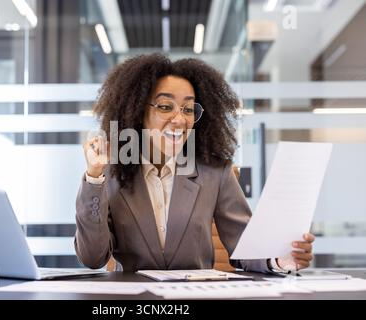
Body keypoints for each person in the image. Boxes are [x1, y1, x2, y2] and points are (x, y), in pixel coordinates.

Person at [75, 53, 314, 273]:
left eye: (188, 109)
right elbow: (93, 258)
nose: (180, 119)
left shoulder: (214, 172)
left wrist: (280, 260)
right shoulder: (111, 172)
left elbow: (246, 248)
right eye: (165, 106)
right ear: (136, 112)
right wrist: (95, 177)